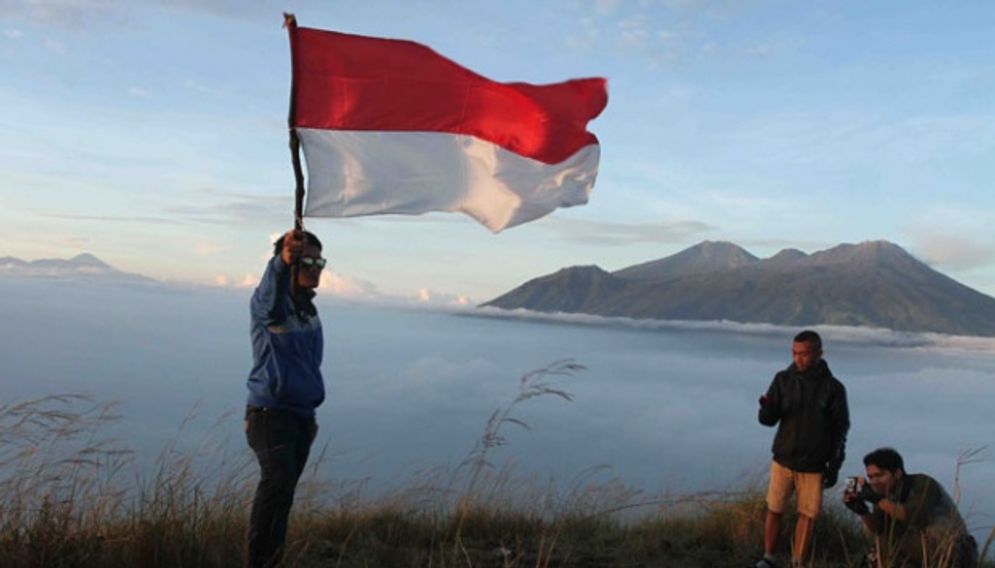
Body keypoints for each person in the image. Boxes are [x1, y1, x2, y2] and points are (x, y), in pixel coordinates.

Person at [244, 229, 327, 567]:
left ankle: (271, 560)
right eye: (306, 260)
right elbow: (269, 297)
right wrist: (281, 263)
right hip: (270, 414)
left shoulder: (308, 312)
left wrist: (309, 414)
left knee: (284, 495)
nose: (316, 267)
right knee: (276, 486)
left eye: (319, 260)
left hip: (300, 417)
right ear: (291, 261)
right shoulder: (271, 308)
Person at [753, 330, 850, 568]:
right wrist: (766, 409)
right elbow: (768, 420)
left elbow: (841, 428)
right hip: (783, 459)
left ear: (819, 353)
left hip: (814, 464)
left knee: (807, 515)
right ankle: (769, 558)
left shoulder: (833, 388)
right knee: (774, 508)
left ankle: (798, 562)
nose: (798, 359)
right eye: (795, 353)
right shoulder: (782, 380)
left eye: (804, 354)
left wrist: (834, 464)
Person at [843, 447, 978, 568]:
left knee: (885, 543)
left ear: (897, 473)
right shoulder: (883, 494)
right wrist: (862, 511)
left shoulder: (922, 484)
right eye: (870, 477)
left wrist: (876, 498)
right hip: (916, 549)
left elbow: (913, 517)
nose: (874, 481)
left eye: (879, 475)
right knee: (876, 538)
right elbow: (878, 528)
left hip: (951, 550)